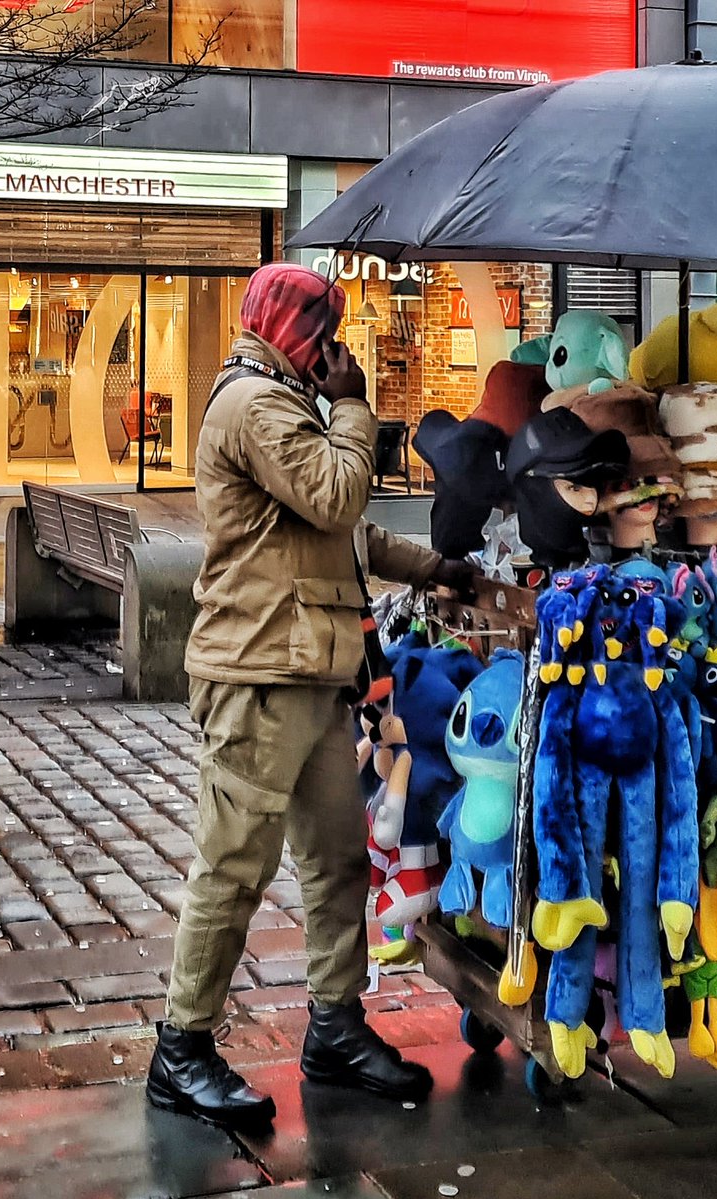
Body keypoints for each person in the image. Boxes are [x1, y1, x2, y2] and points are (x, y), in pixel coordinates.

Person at [147, 262, 474, 1129]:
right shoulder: (255, 403)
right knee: (233, 869)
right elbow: (333, 493)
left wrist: (432, 567)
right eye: (325, 329)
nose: (335, 348)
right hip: (257, 675)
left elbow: (338, 534)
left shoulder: (280, 399)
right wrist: (356, 405)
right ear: (291, 326)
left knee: (336, 860)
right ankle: (181, 1051)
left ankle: (334, 1027)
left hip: (311, 674)